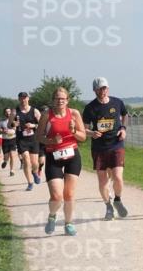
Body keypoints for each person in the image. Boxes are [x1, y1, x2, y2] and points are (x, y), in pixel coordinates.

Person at [37, 87, 87, 236]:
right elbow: (38, 137)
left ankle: (68, 223)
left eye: (63, 99)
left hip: (72, 155)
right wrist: (51, 140)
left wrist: (73, 132)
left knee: (69, 194)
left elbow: (83, 137)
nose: (60, 101)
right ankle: (52, 216)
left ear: (67, 100)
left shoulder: (74, 114)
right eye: (57, 99)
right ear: (53, 100)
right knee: (57, 196)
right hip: (54, 157)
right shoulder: (47, 115)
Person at [82, 78, 129, 220]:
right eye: (99, 89)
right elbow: (83, 128)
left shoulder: (117, 102)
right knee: (102, 181)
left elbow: (125, 115)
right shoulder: (90, 108)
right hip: (99, 148)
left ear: (108, 88)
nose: (102, 91)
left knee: (118, 177)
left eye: (104, 88)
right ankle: (108, 206)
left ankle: (118, 200)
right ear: (94, 90)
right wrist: (91, 133)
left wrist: (123, 128)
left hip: (116, 144)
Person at [15, 92, 42, 190]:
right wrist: (14, 124)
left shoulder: (35, 111)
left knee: (35, 163)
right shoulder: (15, 111)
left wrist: (33, 125)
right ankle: (30, 183)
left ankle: (34, 172)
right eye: (21, 98)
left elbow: (42, 125)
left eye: (25, 98)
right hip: (21, 139)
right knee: (26, 160)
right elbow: (10, 125)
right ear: (19, 99)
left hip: (33, 139)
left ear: (28, 98)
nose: (23, 100)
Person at [0, 108, 17, 175]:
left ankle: (11, 170)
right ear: (4, 113)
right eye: (6, 112)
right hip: (5, 140)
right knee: (6, 156)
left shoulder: (14, 120)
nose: (8, 113)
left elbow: (16, 128)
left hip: (13, 139)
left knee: (12, 155)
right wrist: (3, 131)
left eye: (9, 111)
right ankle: (5, 161)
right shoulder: (1, 121)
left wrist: (12, 130)